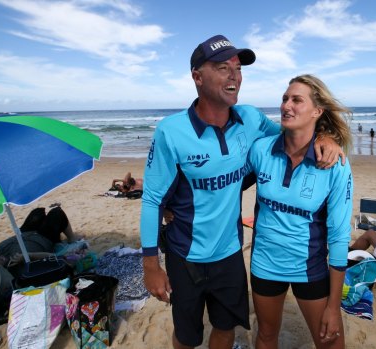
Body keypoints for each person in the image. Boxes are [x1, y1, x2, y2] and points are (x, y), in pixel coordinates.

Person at [139, 35, 344, 349]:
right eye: (223, 68)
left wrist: (327, 138)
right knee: (186, 336)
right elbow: (153, 200)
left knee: (226, 329)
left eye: (237, 68)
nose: (234, 75)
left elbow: (296, 134)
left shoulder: (250, 118)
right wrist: (151, 267)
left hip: (232, 254)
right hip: (185, 255)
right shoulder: (171, 130)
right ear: (197, 76)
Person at [247, 74, 352, 349]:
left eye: (296, 100)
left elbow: (340, 236)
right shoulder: (261, 150)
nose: (286, 106)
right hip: (264, 264)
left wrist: (334, 305)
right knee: (267, 335)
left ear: (317, 111)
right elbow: (220, 181)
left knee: (331, 342)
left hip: (310, 269)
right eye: (284, 99)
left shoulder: (335, 163)